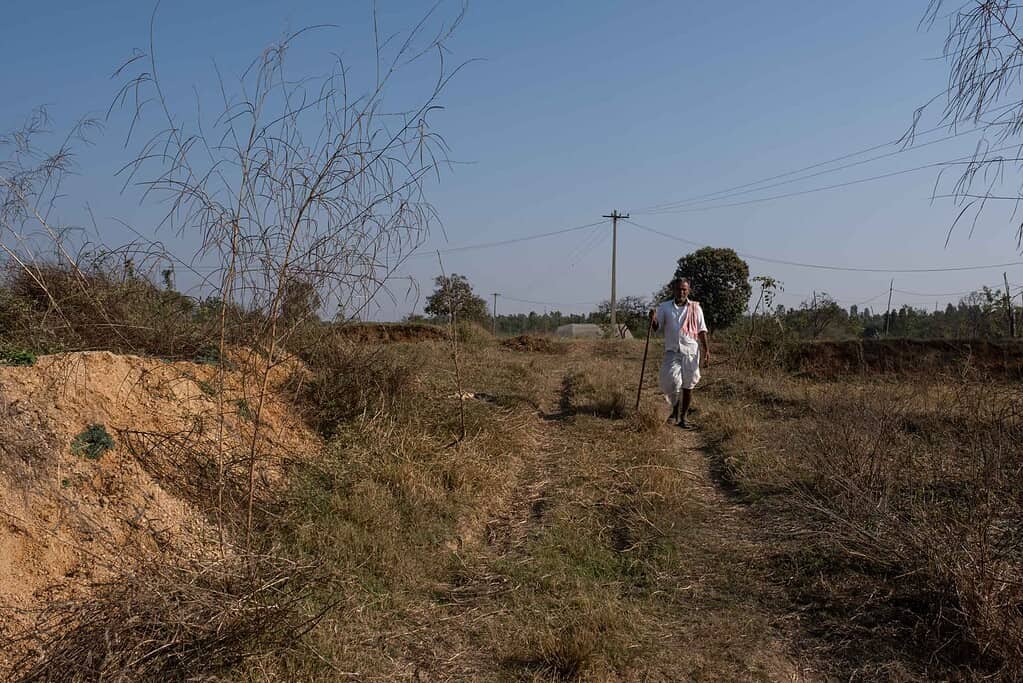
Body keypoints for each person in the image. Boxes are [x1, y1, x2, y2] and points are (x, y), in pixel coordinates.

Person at [648, 277, 710, 429]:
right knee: (670, 382)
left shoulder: (696, 308)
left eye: (684, 289)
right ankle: (675, 411)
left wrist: (706, 350)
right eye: (678, 289)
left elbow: (702, 330)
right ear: (673, 290)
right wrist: (653, 319)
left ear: (688, 290)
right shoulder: (665, 307)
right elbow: (657, 327)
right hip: (672, 351)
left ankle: (683, 418)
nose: (681, 292)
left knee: (688, 385)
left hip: (691, 351)